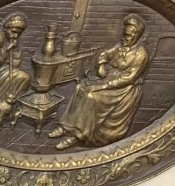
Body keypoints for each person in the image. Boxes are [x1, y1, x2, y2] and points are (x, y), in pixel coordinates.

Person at [49, 14, 150, 150]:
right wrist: (102, 64)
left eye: (129, 36)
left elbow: (129, 78)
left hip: (123, 89)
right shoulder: (120, 45)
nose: (125, 38)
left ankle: (78, 135)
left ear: (137, 35)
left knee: (92, 97)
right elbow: (105, 54)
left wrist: (103, 86)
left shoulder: (141, 53)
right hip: (109, 79)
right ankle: (66, 126)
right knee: (80, 87)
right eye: (124, 34)